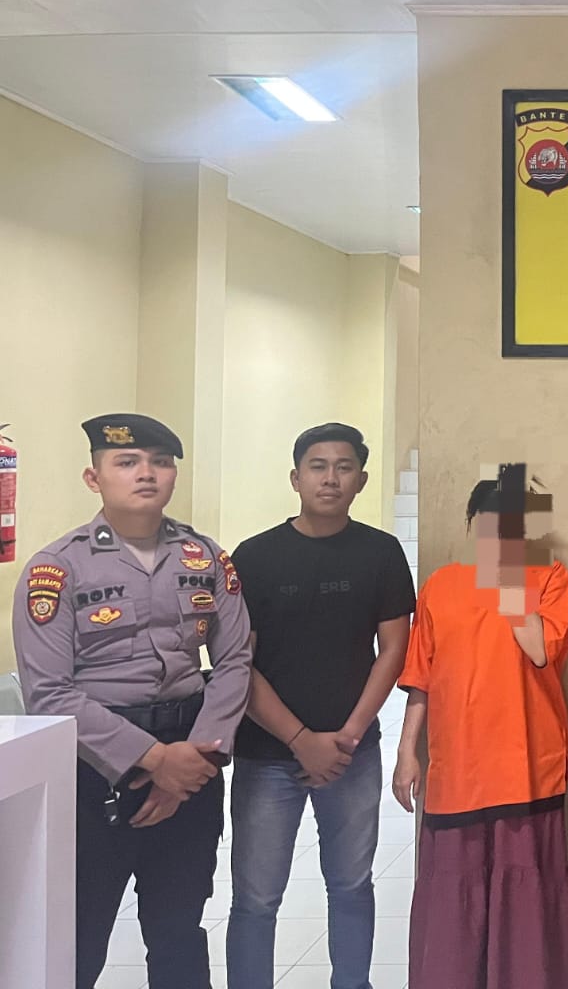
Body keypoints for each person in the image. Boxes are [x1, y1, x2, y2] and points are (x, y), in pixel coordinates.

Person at [12, 414, 251, 989]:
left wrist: (190, 764)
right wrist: (155, 760)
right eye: (127, 462)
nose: (147, 473)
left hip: (194, 756)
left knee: (178, 930)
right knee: (78, 935)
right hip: (93, 771)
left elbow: (235, 660)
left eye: (161, 462)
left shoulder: (204, 557)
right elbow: (49, 692)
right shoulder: (56, 569)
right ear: (93, 478)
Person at [225, 422, 415, 989]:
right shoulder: (255, 556)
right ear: (295, 478)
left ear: (361, 480)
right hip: (266, 754)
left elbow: (394, 650)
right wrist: (300, 739)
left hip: (352, 754)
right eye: (317, 466)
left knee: (352, 886)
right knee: (256, 899)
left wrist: (349, 735)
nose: (330, 478)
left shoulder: (380, 552)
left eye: (343, 467)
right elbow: (238, 662)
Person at [393, 464, 568, 988]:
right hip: (458, 770)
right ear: (472, 520)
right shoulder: (440, 586)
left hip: (526, 765)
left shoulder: (549, 578)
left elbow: (539, 649)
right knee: (455, 896)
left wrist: (509, 577)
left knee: (527, 893)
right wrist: (407, 753)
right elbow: (420, 678)